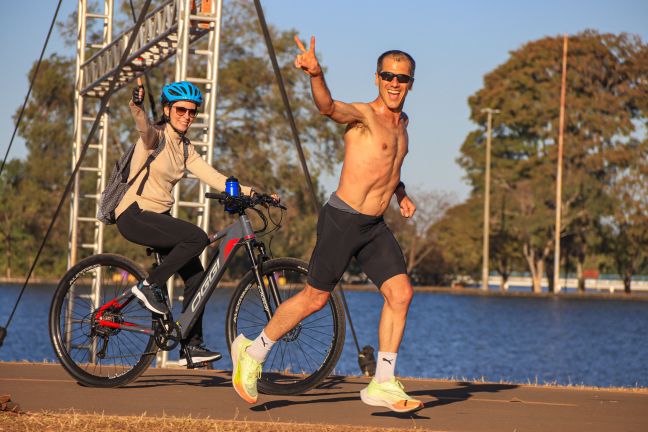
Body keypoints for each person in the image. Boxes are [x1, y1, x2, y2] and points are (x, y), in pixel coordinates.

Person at [230, 36, 423, 413]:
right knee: (315, 298)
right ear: (377, 78)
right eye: (388, 76)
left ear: (411, 83)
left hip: (373, 225)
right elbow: (328, 107)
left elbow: (388, 167)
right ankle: (252, 354)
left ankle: (382, 381)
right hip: (343, 219)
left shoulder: (404, 124)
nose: (394, 83)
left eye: (402, 78)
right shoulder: (364, 116)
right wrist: (316, 74)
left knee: (401, 294)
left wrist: (400, 192)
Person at [116, 80, 258, 366]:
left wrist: (254, 193)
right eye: (180, 109)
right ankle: (148, 286)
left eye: (192, 112)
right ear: (167, 110)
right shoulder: (155, 137)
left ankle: (190, 346)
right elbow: (143, 127)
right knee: (196, 238)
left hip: (158, 219)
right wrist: (136, 107)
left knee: (197, 277)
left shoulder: (184, 148)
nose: (186, 116)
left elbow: (214, 177)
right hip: (134, 214)